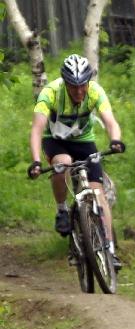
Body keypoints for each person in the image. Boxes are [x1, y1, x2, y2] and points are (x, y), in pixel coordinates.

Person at [27, 54, 125, 269]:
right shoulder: (50, 93)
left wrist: (115, 139)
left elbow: (110, 121)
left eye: (83, 86)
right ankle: (62, 209)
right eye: (73, 87)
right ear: (65, 82)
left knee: (98, 193)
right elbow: (36, 130)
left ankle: (109, 250)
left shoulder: (96, 92)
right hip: (56, 141)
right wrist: (35, 161)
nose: (79, 91)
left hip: (84, 142)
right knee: (62, 164)